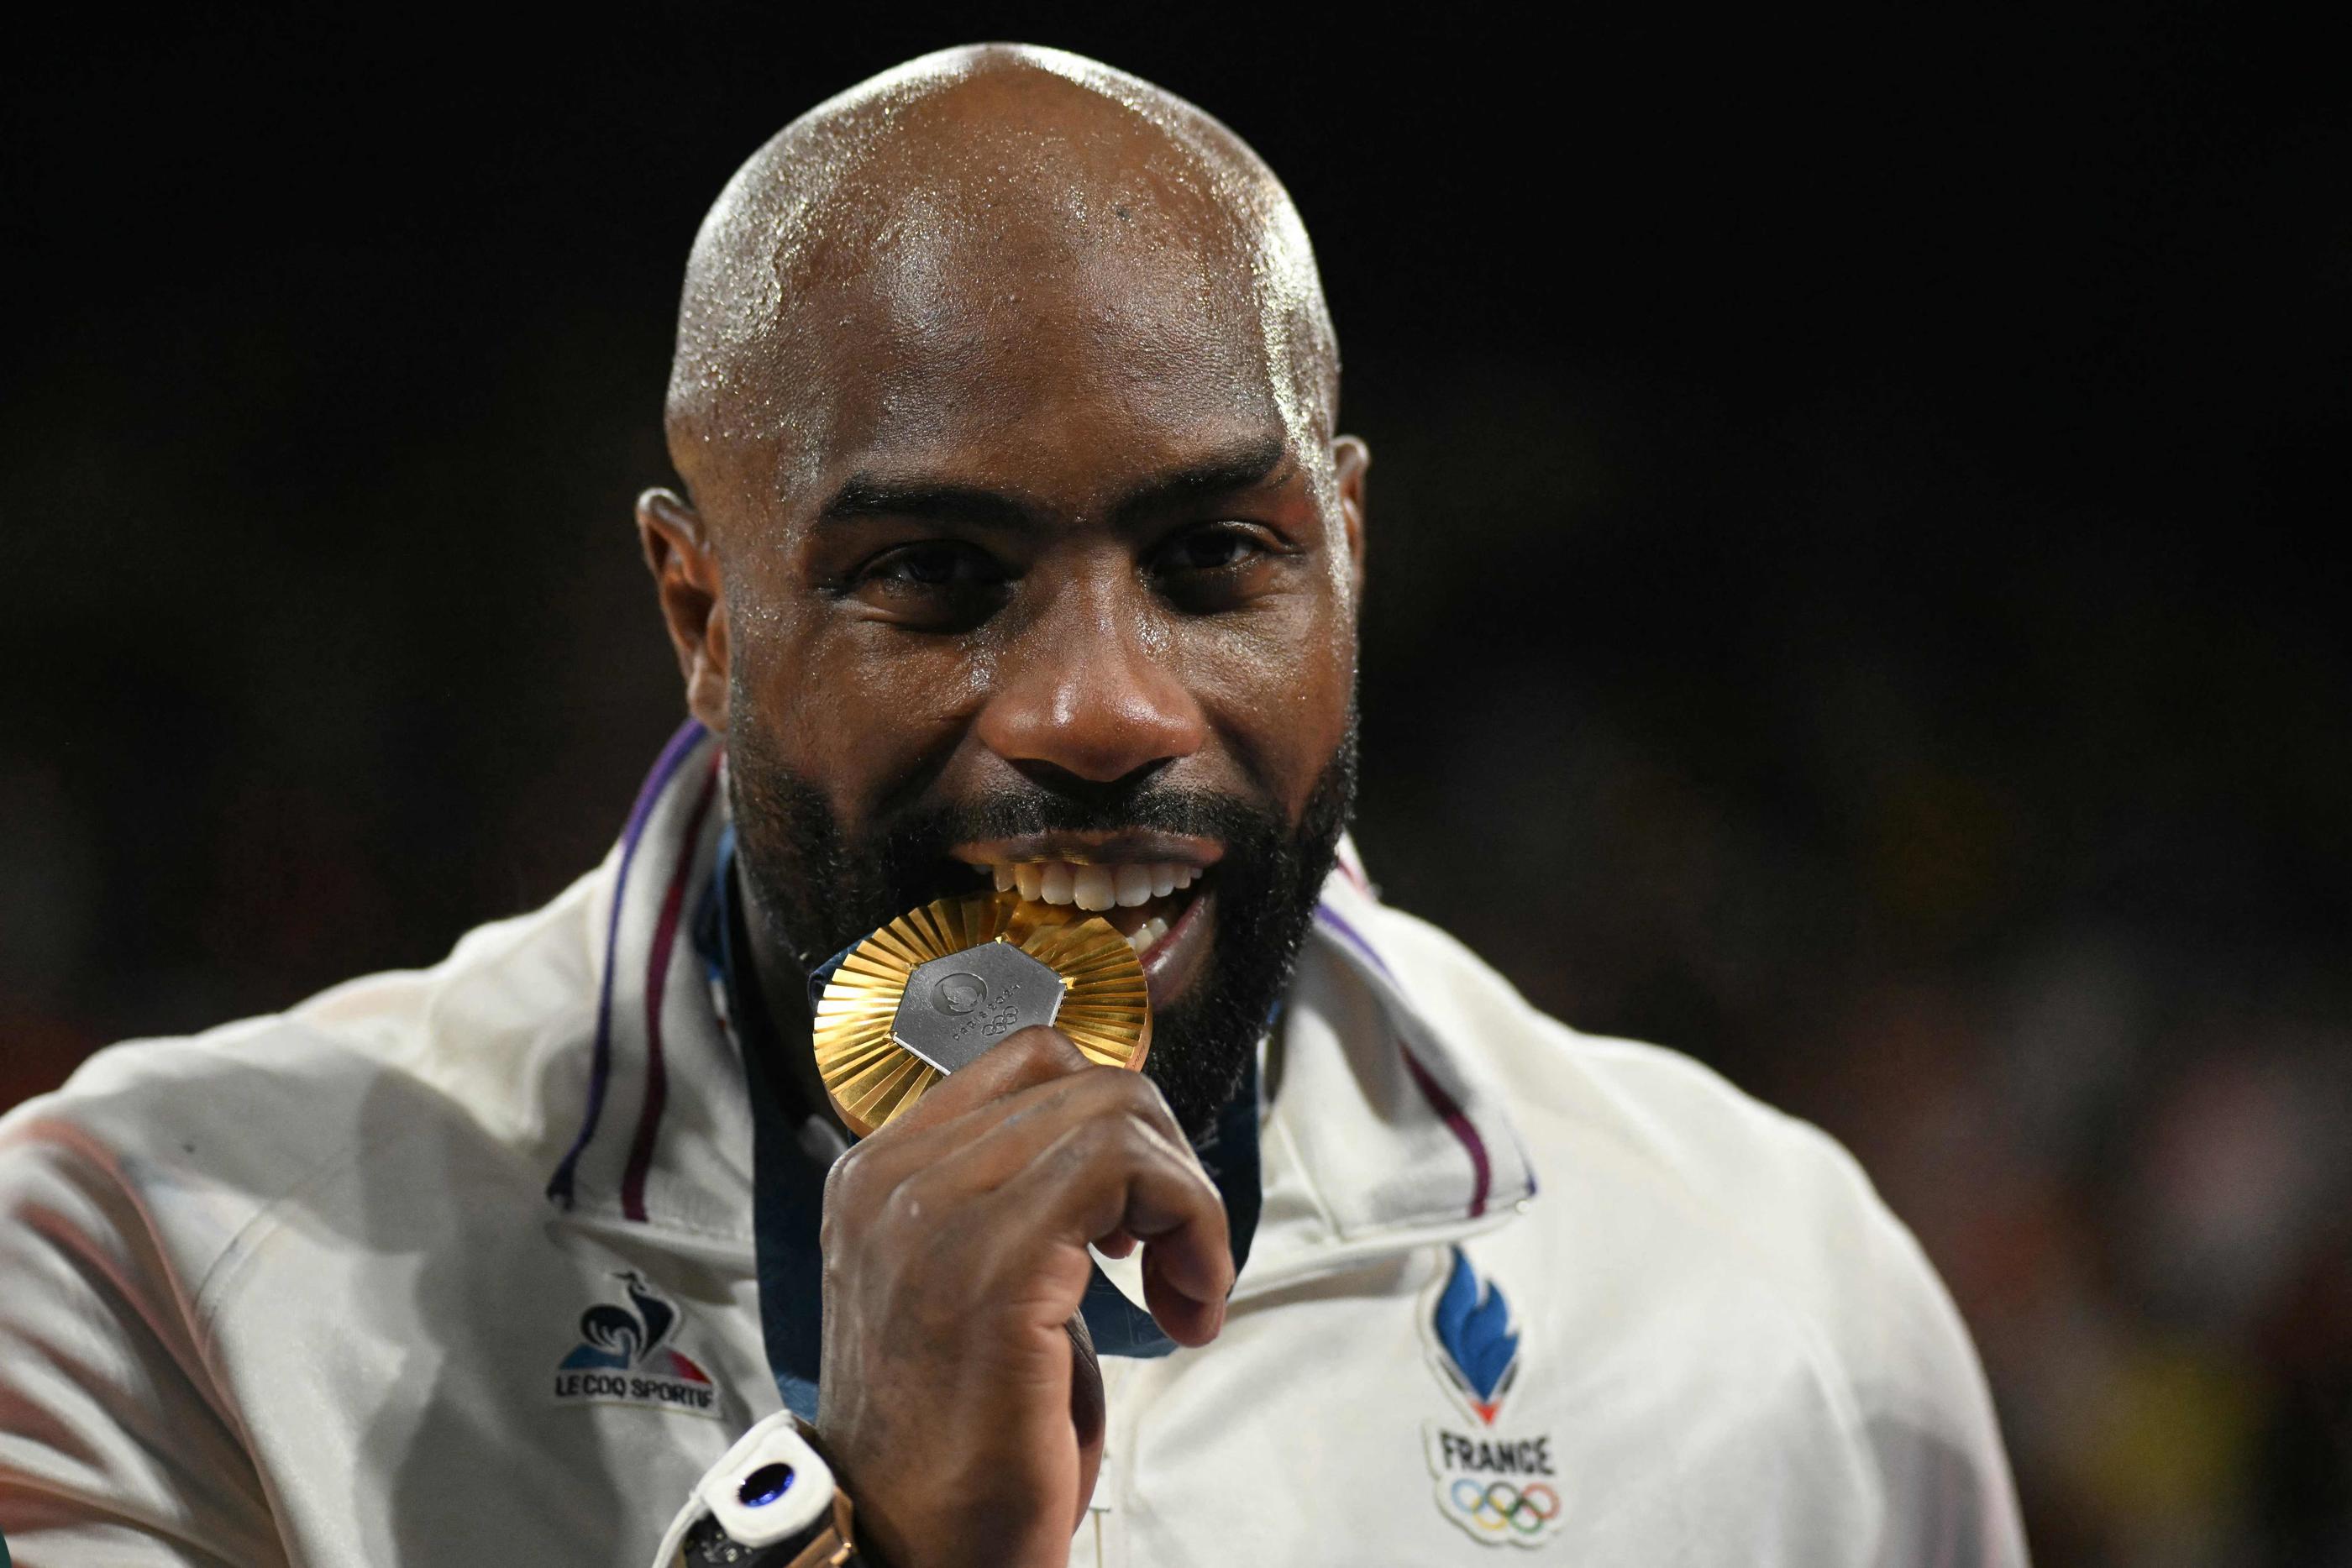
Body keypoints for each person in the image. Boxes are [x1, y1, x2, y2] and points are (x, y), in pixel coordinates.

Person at [0, 44, 2029, 1567]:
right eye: (937, 578)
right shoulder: (145, 1268)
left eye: (1217, 558)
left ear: (1346, 542)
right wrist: (842, 1522)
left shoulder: (1769, 1309)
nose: (1097, 708)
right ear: (699, 614)